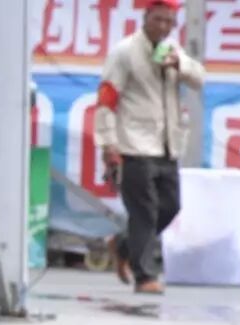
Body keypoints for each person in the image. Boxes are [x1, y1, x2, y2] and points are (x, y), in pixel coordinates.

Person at [95, 0, 204, 295]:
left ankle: (122, 244)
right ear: (145, 18)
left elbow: (199, 78)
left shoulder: (172, 50)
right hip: (134, 143)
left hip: (166, 144)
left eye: (169, 22)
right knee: (144, 211)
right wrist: (108, 144)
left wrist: (179, 64)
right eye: (158, 20)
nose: (163, 27)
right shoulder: (124, 52)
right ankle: (145, 277)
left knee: (170, 206)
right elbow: (106, 100)